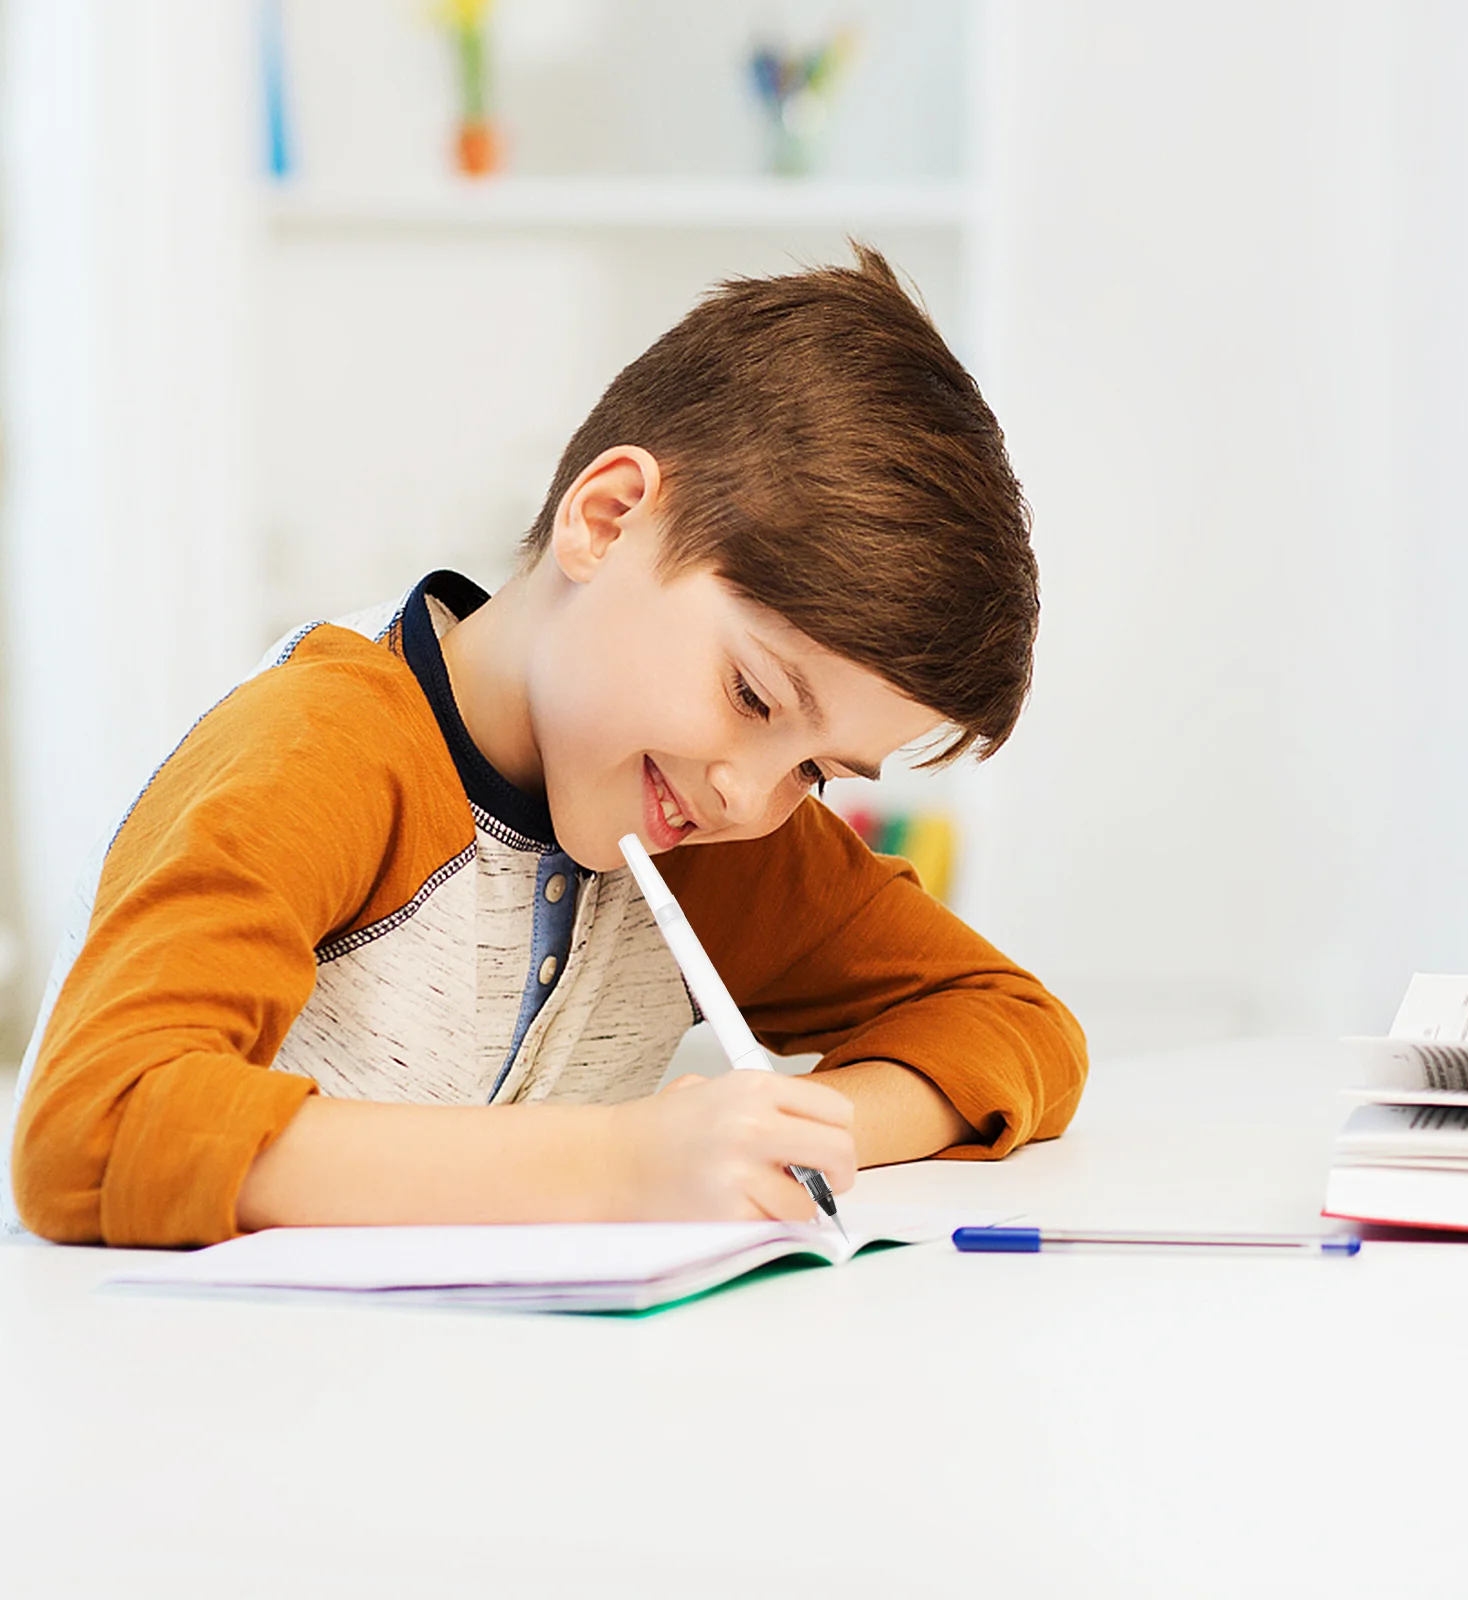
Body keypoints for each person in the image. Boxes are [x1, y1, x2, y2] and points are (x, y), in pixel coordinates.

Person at [6, 246, 1087, 1248]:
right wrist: (620, 1164)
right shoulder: (319, 751)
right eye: (753, 695)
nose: (748, 795)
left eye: (815, 770)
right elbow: (92, 1123)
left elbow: (1014, 1026)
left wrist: (783, 1129)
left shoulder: (711, 831)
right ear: (606, 519)